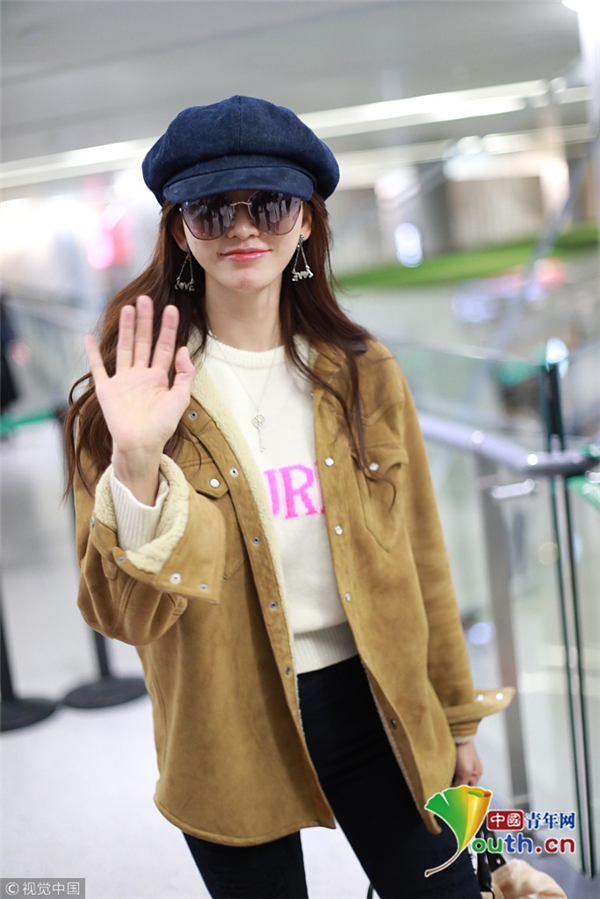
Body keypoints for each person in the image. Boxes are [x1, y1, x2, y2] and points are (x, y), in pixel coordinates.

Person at [64, 96, 511, 899]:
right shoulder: (134, 393)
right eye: (212, 208)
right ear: (180, 230)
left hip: (382, 701)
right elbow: (122, 616)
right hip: (225, 719)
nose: (242, 228)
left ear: (305, 221)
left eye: (268, 205)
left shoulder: (364, 372)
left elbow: (422, 558)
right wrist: (135, 462)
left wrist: (455, 717)